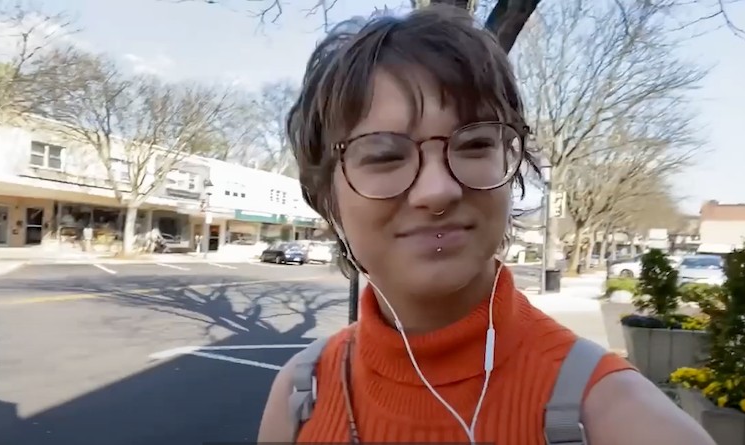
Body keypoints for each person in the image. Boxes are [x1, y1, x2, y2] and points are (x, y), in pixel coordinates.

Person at [258, 6, 715, 445]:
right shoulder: (299, 399)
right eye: (384, 155)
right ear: (325, 196)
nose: (437, 189)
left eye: (474, 144)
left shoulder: (624, 421)